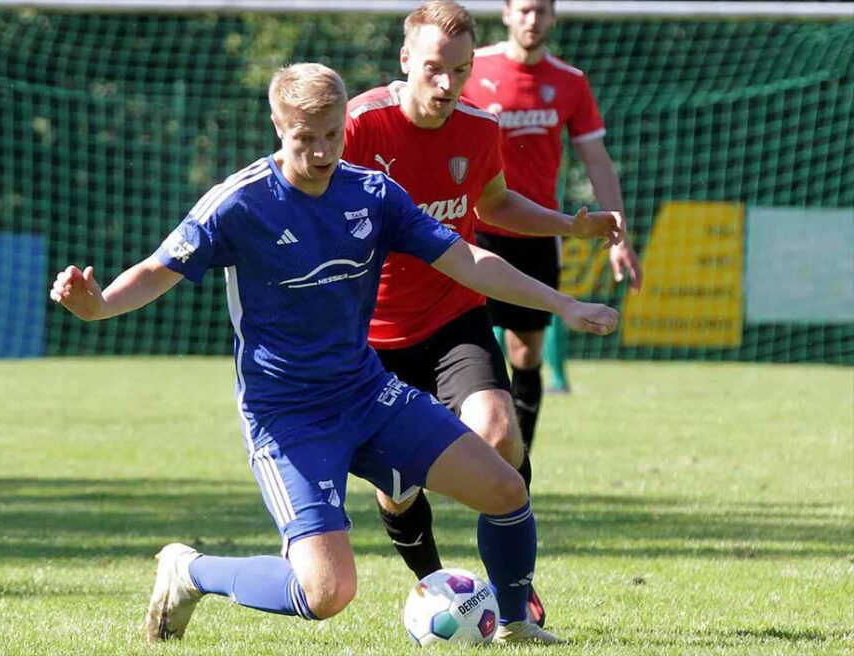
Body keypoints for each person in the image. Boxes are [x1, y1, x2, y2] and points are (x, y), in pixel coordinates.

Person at [50, 63, 617, 646]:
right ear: (277, 126)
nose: (322, 152)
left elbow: (467, 259)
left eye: (332, 135)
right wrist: (99, 306)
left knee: (505, 490)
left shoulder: (372, 194)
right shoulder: (240, 203)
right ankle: (189, 572)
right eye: (305, 138)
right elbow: (155, 270)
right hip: (288, 417)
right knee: (326, 594)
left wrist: (563, 303)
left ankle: (518, 624)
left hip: (367, 393)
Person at [344, 0, 619, 628]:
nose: (448, 86)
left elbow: (493, 204)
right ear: (405, 60)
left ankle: (517, 597)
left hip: (452, 318)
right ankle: (440, 588)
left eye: (461, 71)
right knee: (397, 485)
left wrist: (566, 226)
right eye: (435, 69)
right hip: (371, 336)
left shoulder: (477, 127)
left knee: (500, 431)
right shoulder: (359, 126)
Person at [463, 0, 643, 454]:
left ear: (553, 16)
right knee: (459, 343)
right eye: (523, 9)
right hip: (471, 230)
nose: (532, 19)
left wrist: (617, 231)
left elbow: (596, 159)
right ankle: (453, 458)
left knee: (526, 355)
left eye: (541, 10)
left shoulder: (570, 82)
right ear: (506, 13)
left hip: (537, 232)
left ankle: (516, 468)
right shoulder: (470, 68)